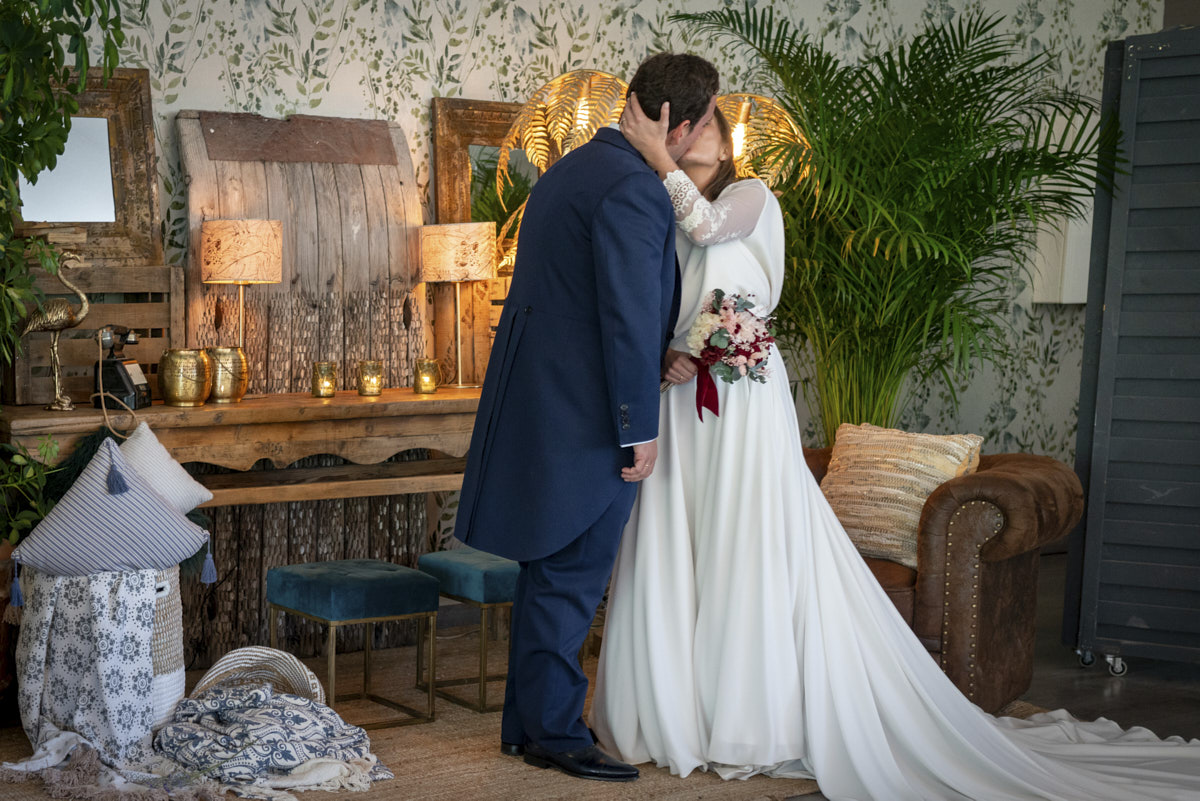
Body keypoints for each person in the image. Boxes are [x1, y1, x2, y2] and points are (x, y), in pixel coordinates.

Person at [589, 98, 1200, 799]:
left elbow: (709, 229)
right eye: (678, 128)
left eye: (702, 126)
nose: (687, 135)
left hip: (743, 398)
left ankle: (745, 718)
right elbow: (661, 295)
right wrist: (669, 351)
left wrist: (654, 156)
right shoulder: (659, 207)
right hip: (684, 397)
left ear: (725, 144)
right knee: (678, 544)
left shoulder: (752, 197)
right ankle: (675, 713)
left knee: (742, 542)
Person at [453, 53, 719, 783]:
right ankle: (555, 734)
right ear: (682, 122)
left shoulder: (573, 168)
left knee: (550, 572)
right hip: (589, 418)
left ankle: (528, 726)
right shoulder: (635, 189)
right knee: (571, 577)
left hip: (547, 405)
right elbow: (627, 318)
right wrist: (641, 428)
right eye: (701, 128)